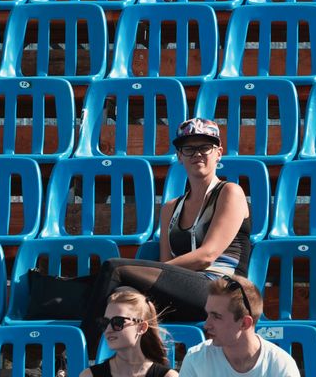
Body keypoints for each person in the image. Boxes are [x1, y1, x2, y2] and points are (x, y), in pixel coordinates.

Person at [82, 118, 252, 353]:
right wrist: (149, 277)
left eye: (205, 147)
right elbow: (164, 265)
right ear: (179, 156)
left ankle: (82, 356)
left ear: (218, 153)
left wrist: (148, 273)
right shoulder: (171, 208)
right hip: (183, 294)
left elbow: (207, 256)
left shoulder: (230, 192)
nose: (197, 154)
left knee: (116, 269)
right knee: (121, 298)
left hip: (222, 290)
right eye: (189, 148)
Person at [180, 275, 300, 377]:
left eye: (216, 316)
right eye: (208, 314)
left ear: (244, 323)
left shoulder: (280, 365)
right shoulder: (195, 359)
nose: (206, 325)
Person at [77, 288, 177, 377]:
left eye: (118, 322)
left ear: (141, 327)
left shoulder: (168, 376)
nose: (108, 329)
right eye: (105, 322)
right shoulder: (89, 375)